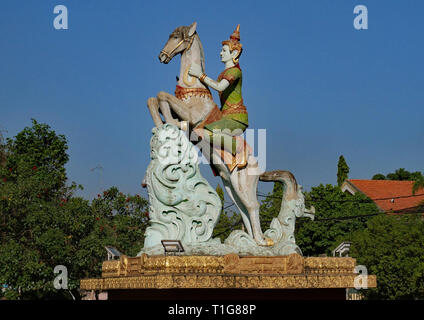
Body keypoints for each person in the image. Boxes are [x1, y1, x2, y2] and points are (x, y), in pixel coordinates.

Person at [189, 25, 248, 167]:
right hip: (225, 116)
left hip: (236, 119)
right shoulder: (223, 73)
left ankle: (239, 148)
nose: (221, 53)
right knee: (196, 131)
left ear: (234, 54)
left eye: (224, 51)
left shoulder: (234, 72)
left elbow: (219, 87)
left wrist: (200, 75)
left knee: (206, 133)